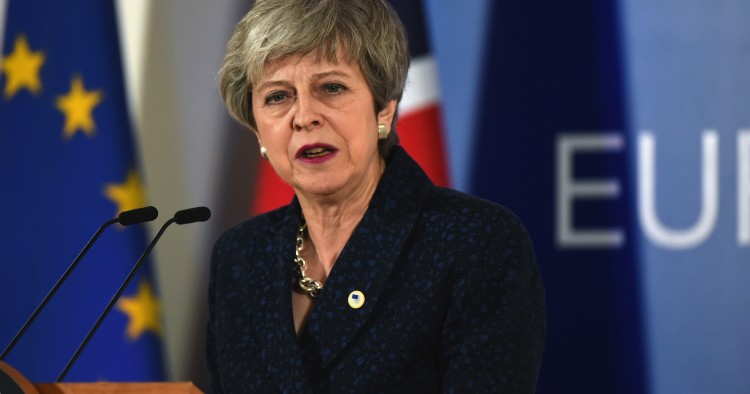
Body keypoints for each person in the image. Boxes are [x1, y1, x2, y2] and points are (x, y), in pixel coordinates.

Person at [206, 0, 546, 392]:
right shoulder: (240, 257)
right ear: (257, 131)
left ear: (383, 109)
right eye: (278, 97)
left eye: (331, 88)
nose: (304, 117)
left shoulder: (475, 243)